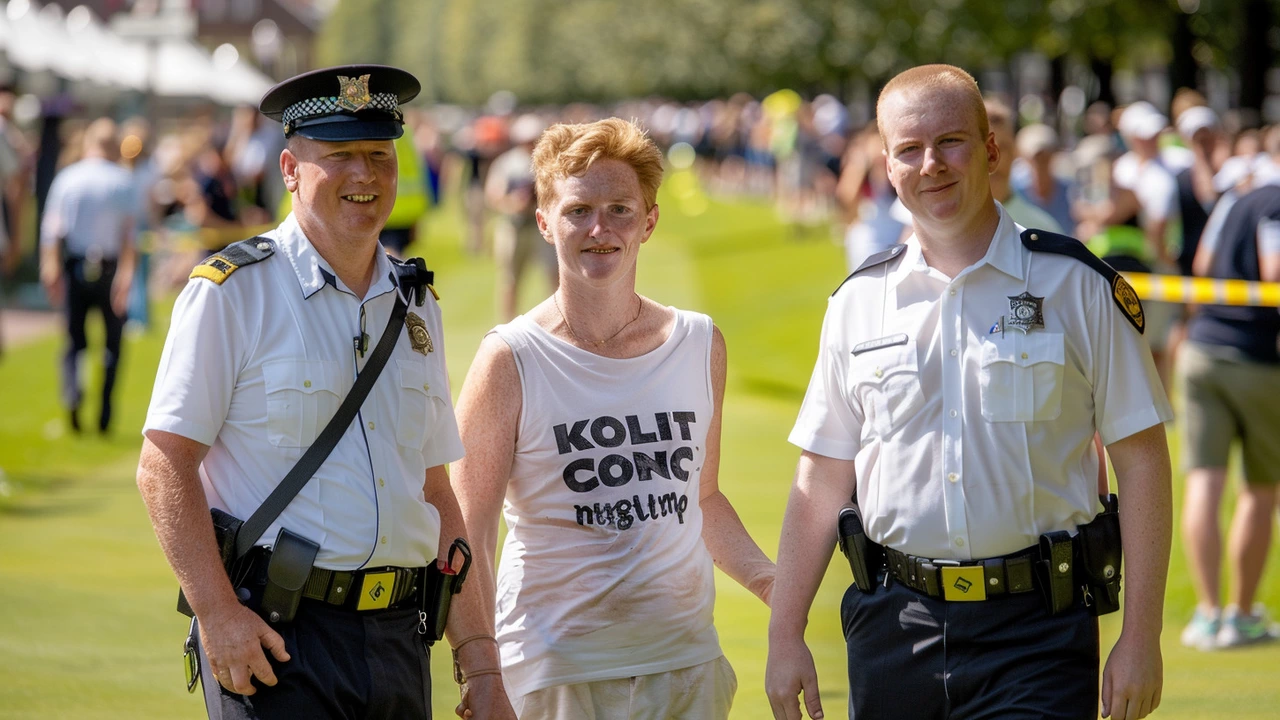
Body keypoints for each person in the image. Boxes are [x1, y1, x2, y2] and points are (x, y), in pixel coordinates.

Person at [765, 64, 1173, 720]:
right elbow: (820, 478)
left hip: (1037, 631)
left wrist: (1141, 635)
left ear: (990, 149)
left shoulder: (1078, 287)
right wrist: (785, 634)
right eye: (908, 149)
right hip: (891, 628)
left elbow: (1144, 461)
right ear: (887, 168)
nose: (932, 164)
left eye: (951, 141)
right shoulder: (856, 304)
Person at [135, 65, 511, 719]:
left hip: (399, 639)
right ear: (289, 168)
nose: (365, 176)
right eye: (339, 156)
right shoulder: (234, 292)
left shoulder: (415, 302)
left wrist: (478, 658)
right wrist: (217, 612)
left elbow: (433, 489)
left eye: (378, 155)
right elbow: (164, 463)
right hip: (277, 642)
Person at [449, 117, 775, 719]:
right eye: (578, 211)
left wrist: (771, 584)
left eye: (620, 209)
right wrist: (482, 670)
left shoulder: (701, 343)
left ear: (649, 221)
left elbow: (700, 500)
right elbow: (470, 531)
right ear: (545, 222)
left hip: (686, 670)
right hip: (555, 677)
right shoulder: (510, 359)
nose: (600, 229)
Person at [1176, 172, 1280, 650]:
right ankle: (1237, 616)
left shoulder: (1236, 196)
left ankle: (1208, 615)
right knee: (1260, 488)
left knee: (1204, 482)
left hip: (1201, 350)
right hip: (1256, 358)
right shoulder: (1274, 202)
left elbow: (1202, 263)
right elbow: (1274, 269)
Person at [39, 117, 136, 434]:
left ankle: (74, 394)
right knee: (111, 344)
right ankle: (104, 410)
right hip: (108, 267)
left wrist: (50, 268)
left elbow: (52, 231)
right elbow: (128, 237)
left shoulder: (68, 178)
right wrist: (126, 276)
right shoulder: (122, 180)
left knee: (75, 341)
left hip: (76, 264)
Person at [486, 113, 557, 320]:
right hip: (514, 227)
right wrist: (513, 203)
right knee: (510, 279)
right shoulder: (507, 163)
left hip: (543, 228)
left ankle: (557, 323)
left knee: (555, 276)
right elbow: (494, 195)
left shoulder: (549, 163)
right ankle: (508, 325)